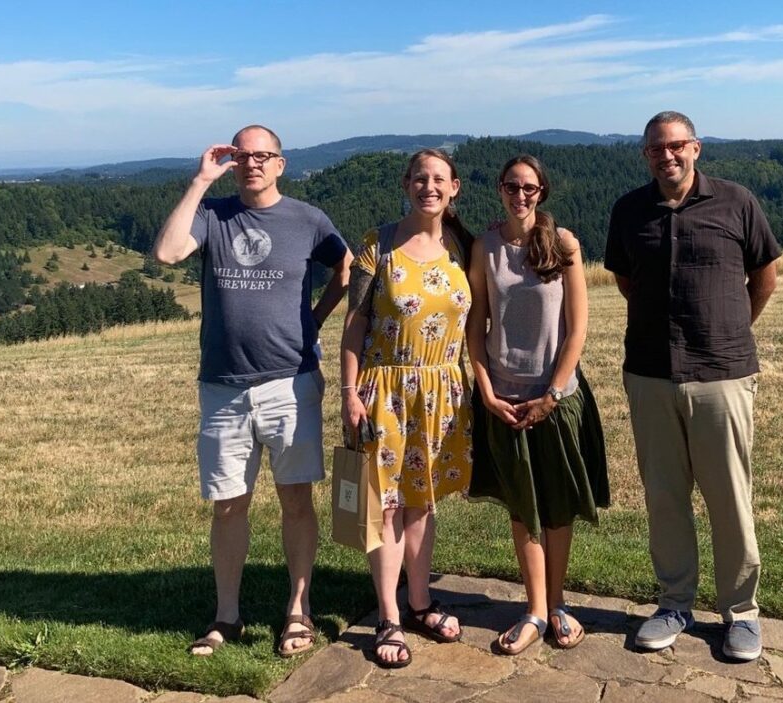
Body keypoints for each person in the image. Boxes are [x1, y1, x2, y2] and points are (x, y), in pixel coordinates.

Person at [153, 124, 353, 657]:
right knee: (227, 506)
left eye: (263, 156)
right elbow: (169, 253)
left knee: (296, 501)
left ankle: (298, 611)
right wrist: (199, 180)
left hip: (291, 382)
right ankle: (227, 617)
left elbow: (346, 266)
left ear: (281, 164)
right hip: (223, 388)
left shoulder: (308, 219)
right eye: (243, 156)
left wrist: (315, 319)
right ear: (232, 162)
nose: (253, 164)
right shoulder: (213, 213)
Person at [604, 111, 780, 661]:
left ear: (696, 148)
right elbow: (627, 280)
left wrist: (727, 328)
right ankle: (674, 603)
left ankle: (741, 613)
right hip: (651, 373)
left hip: (722, 373)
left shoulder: (736, 201)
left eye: (677, 146)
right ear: (646, 155)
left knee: (729, 497)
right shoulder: (629, 210)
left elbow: (764, 275)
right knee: (664, 496)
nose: (667, 156)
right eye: (657, 149)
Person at [466, 155, 609, 655]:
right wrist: (484, 389)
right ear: (500, 190)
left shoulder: (564, 244)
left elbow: (577, 328)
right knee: (522, 507)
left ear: (542, 191)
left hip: (557, 397)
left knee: (557, 504)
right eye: (511, 186)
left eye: (529, 187)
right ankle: (533, 611)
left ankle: (557, 605)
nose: (520, 194)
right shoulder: (485, 247)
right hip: (504, 398)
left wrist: (551, 394)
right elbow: (476, 324)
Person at [340, 149, 474, 669]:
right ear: (406, 183)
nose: (429, 187)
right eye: (420, 178)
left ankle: (420, 602)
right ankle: (389, 615)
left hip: (443, 391)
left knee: (423, 499)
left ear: (454, 188)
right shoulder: (378, 244)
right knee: (386, 505)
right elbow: (354, 322)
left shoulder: (464, 246)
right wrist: (349, 391)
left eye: (439, 179)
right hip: (385, 390)